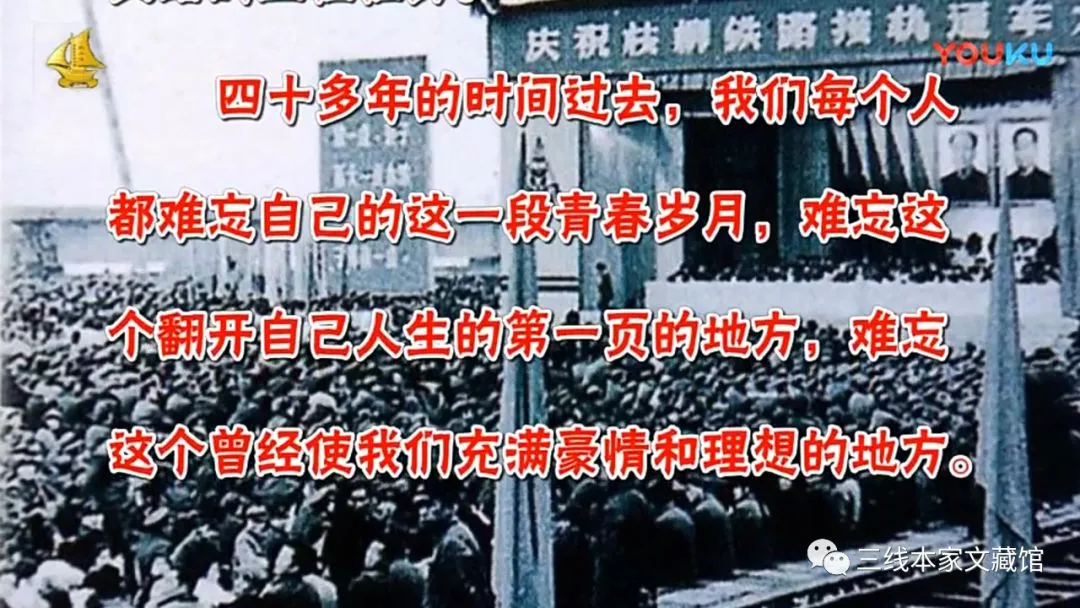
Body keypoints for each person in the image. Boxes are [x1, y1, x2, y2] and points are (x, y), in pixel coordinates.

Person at [940, 130, 990, 201]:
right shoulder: (944, 183)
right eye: (957, 148)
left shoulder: (986, 182)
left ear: (974, 153)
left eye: (966, 148)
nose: (961, 155)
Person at [1006, 127, 1052, 199]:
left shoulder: (1048, 181)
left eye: (1026, 147)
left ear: (1035, 149)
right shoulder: (1008, 182)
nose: (1022, 153)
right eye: (1018, 148)